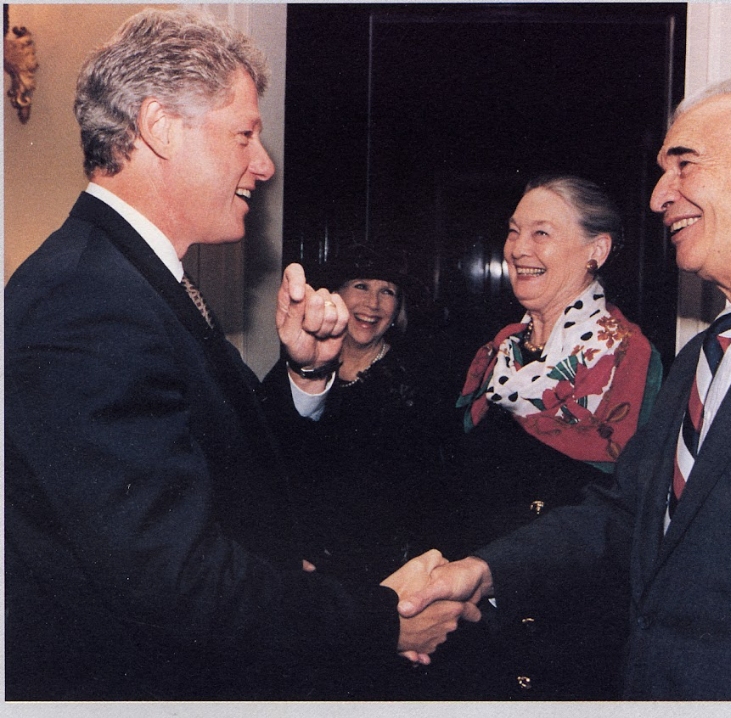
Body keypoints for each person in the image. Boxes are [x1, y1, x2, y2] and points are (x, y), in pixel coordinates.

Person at [400, 75, 731, 701]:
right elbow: (622, 518)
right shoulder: (706, 353)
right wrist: (482, 571)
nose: (658, 197)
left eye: (684, 165)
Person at [4, 8, 476, 701]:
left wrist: (307, 371)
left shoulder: (130, 278)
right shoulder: (86, 303)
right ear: (160, 128)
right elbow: (175, 580)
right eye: (245, 135)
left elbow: (224, 476)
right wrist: (379, 620)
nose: (265, 164)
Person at [431, 176, 662, 699]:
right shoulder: (496, 352)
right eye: (514, 232)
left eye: (541, 233)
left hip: (562, 630)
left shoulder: (629, 359)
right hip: (472, 619)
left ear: (595, 251)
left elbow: (618, 519)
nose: (518, 249)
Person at [263, 245, 452, 698]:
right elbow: (270, 466)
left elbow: (435, 496)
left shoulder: (418, 383)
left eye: (388, 291)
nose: (373, 303)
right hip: (305, 576)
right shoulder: (296, 366)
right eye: (361, 287)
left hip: (383, 580)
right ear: (334, 297)